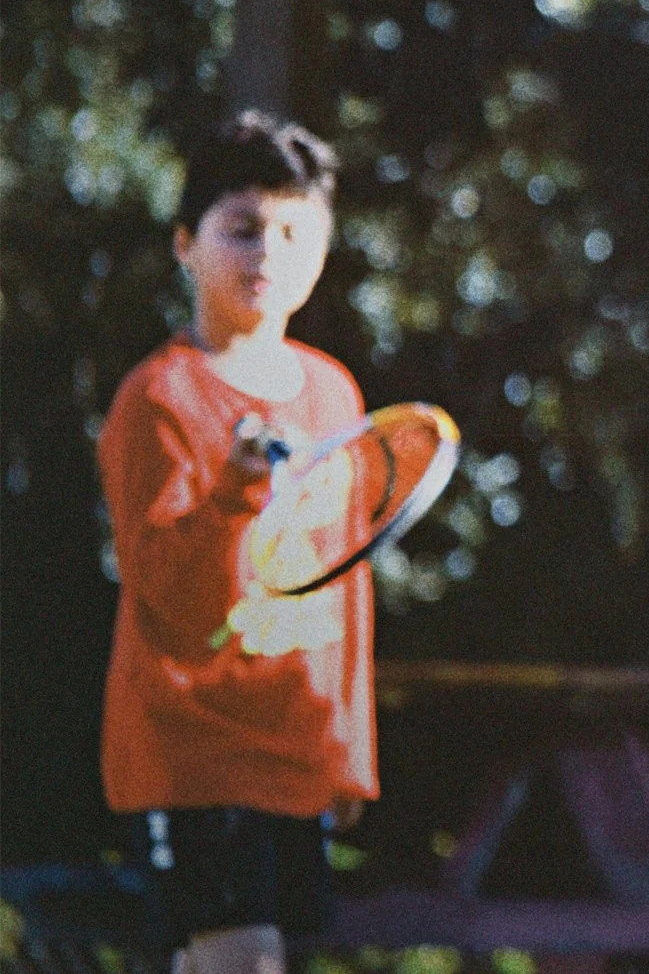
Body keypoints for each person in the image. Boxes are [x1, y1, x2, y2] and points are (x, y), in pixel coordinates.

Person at [97, 113, 372, 974]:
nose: (267, 254)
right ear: (185, 243)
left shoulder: (332, 391)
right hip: (196, 756)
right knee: (242, 964)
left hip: (294, 753)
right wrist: (235, 490)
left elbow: (345, 585)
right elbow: (167, 597)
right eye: (242, 228)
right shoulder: (160, 399)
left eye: (294, 232)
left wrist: (349, 751)